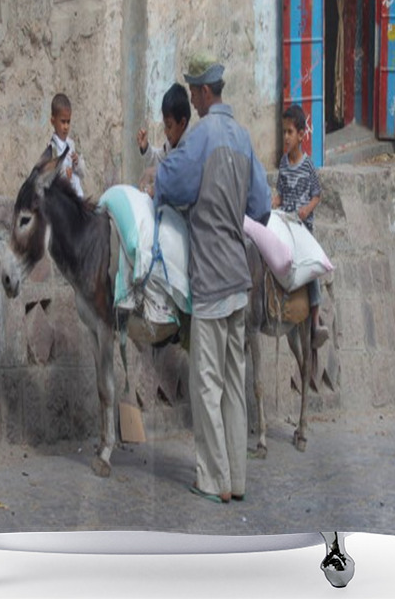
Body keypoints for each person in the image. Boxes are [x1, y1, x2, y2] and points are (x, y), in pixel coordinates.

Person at [155, 53, 271, 504]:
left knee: (207, 384)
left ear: (203, 93)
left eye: (195, 92)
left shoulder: (201, 137)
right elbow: (259, 207)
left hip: (209, 282)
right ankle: (237, 480)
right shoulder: (243, 138)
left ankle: (212, 479)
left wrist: (157, 178)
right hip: (240, 281)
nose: (196, 100)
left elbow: (172, 182)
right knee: (234, 385)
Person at [273, 104, 330, 349]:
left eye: (290, 132)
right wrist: (274, 202)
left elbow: (318, 194)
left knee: (311, 273)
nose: (286, 137)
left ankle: (316, 321)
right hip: (287, 225)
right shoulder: (284, 164)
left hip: (303, 229)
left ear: (301, 135)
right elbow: (281, 194)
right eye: (283, 132)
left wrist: (308, 208)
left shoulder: (308, 166)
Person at [136, 83, 191, 196]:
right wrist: (146, 148)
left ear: (182, 123)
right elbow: (160, 160)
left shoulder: (190, 149)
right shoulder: (172, 144)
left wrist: (156, 188)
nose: (166, 131)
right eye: (165, 125)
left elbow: (177, 179)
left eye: (169, 126)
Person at [48, 93, 85, 199]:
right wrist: (64, 176)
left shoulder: (71, 144)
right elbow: (51, 179)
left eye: (68, 122)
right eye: (63, 122)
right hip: (63, 200)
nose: (66, 127)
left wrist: (77, 162)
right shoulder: (52, 149)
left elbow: (82, 174)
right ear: (53, 121)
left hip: (77, 195)